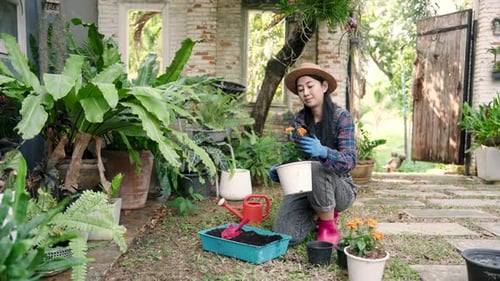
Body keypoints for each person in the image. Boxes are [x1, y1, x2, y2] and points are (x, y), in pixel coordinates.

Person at [269, 62, 358, 246]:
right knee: (285, 234)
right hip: (306, 186)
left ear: (324, 87)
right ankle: (317, 214)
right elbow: (296, 159)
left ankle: (328, 225)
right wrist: (280, 169)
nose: (306, 93)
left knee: (316, 166)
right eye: (301, 89)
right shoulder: (299, 121)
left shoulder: (341, 117)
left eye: (310, 86)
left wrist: (324, 152)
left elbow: (350, 161)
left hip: (340, 188)